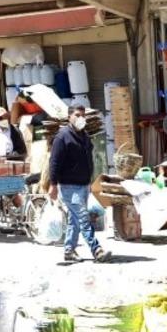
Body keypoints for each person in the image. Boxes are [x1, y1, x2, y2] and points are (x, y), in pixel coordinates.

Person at [47, 104, 110, 263]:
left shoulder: (84, 135)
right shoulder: (62, 137)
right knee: (83, 218)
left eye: (83, 115)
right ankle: (96, 249)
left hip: (83, 185)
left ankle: (69, 250)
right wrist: (53, 185)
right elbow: (54, 162)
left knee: (75, 220)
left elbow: (89, 158)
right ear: (69, 117)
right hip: (69, 186)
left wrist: (90, 181)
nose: (80, 118)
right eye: (77, 115)